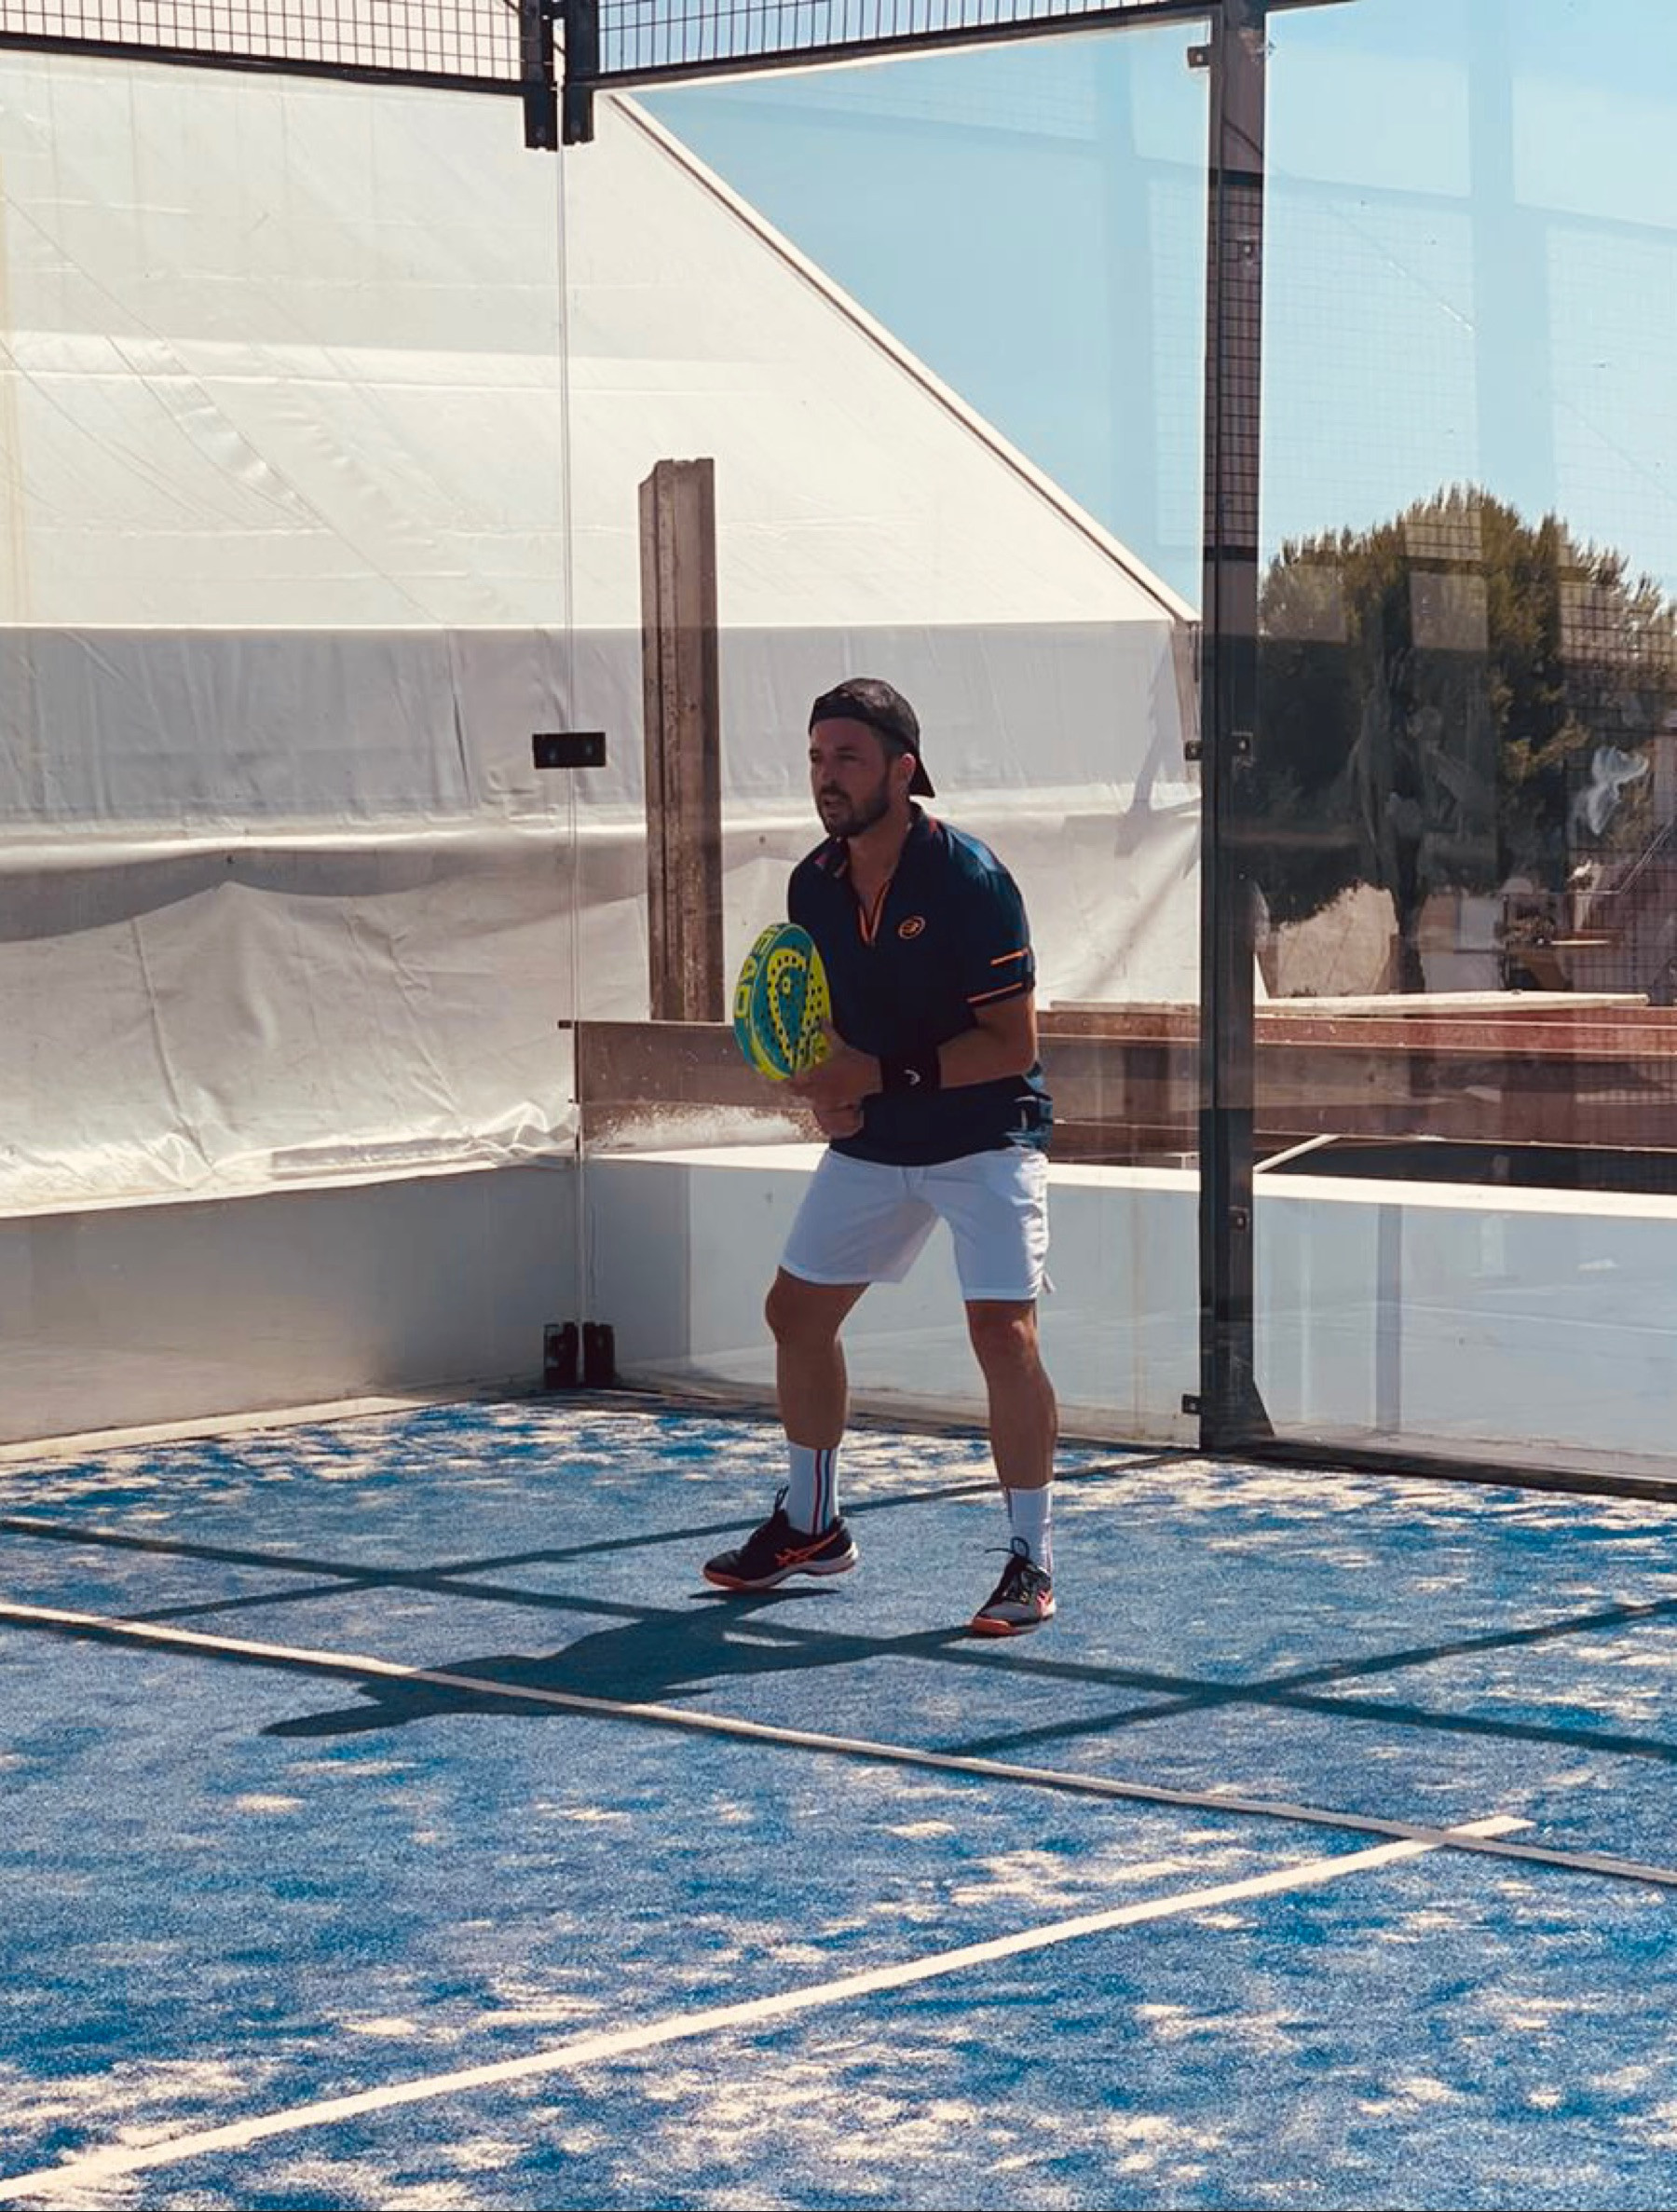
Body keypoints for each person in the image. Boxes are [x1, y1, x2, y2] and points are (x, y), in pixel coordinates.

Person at [702, 676, 1058, 1635]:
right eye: (818, 758)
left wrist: (875, 1077)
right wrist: (823, 1087)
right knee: (795, 1314)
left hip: (988, 1135)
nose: (828, 776)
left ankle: (1030, 1561)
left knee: (1004, 1335)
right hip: (881, 1138)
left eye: (848, 758)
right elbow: (827, 1026)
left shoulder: (972, 880)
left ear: (903, 771)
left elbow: (1011, 1045)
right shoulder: (811, 884)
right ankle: (812, 1524)